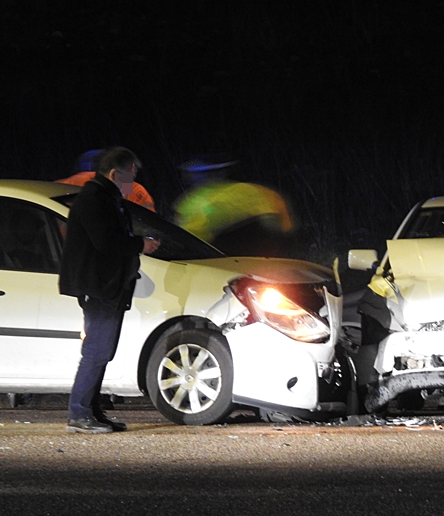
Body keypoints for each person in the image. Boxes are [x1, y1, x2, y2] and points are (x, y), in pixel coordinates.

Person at [59, 146, 160, 434]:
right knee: (96, 350)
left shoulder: (106, 198)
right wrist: (141, 244)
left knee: (102, 351)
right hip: (98, 286)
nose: (135, 183)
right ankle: (79, 413)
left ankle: (91, 410)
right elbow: (107, 242)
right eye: (132, 175)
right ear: (116, 173)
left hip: (106, 286)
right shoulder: (95, 199)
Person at [173, 158, 296, 257]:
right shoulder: (192, 200)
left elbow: (188, 235)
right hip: (249, 256)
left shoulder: (194, 201)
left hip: (234, 256)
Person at [57, 149, 157, 211]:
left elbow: (150, 226)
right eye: (129, 175)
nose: (129, 183)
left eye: (132, 176)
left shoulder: (135, 192)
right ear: (113, 174)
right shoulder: (78, 184)